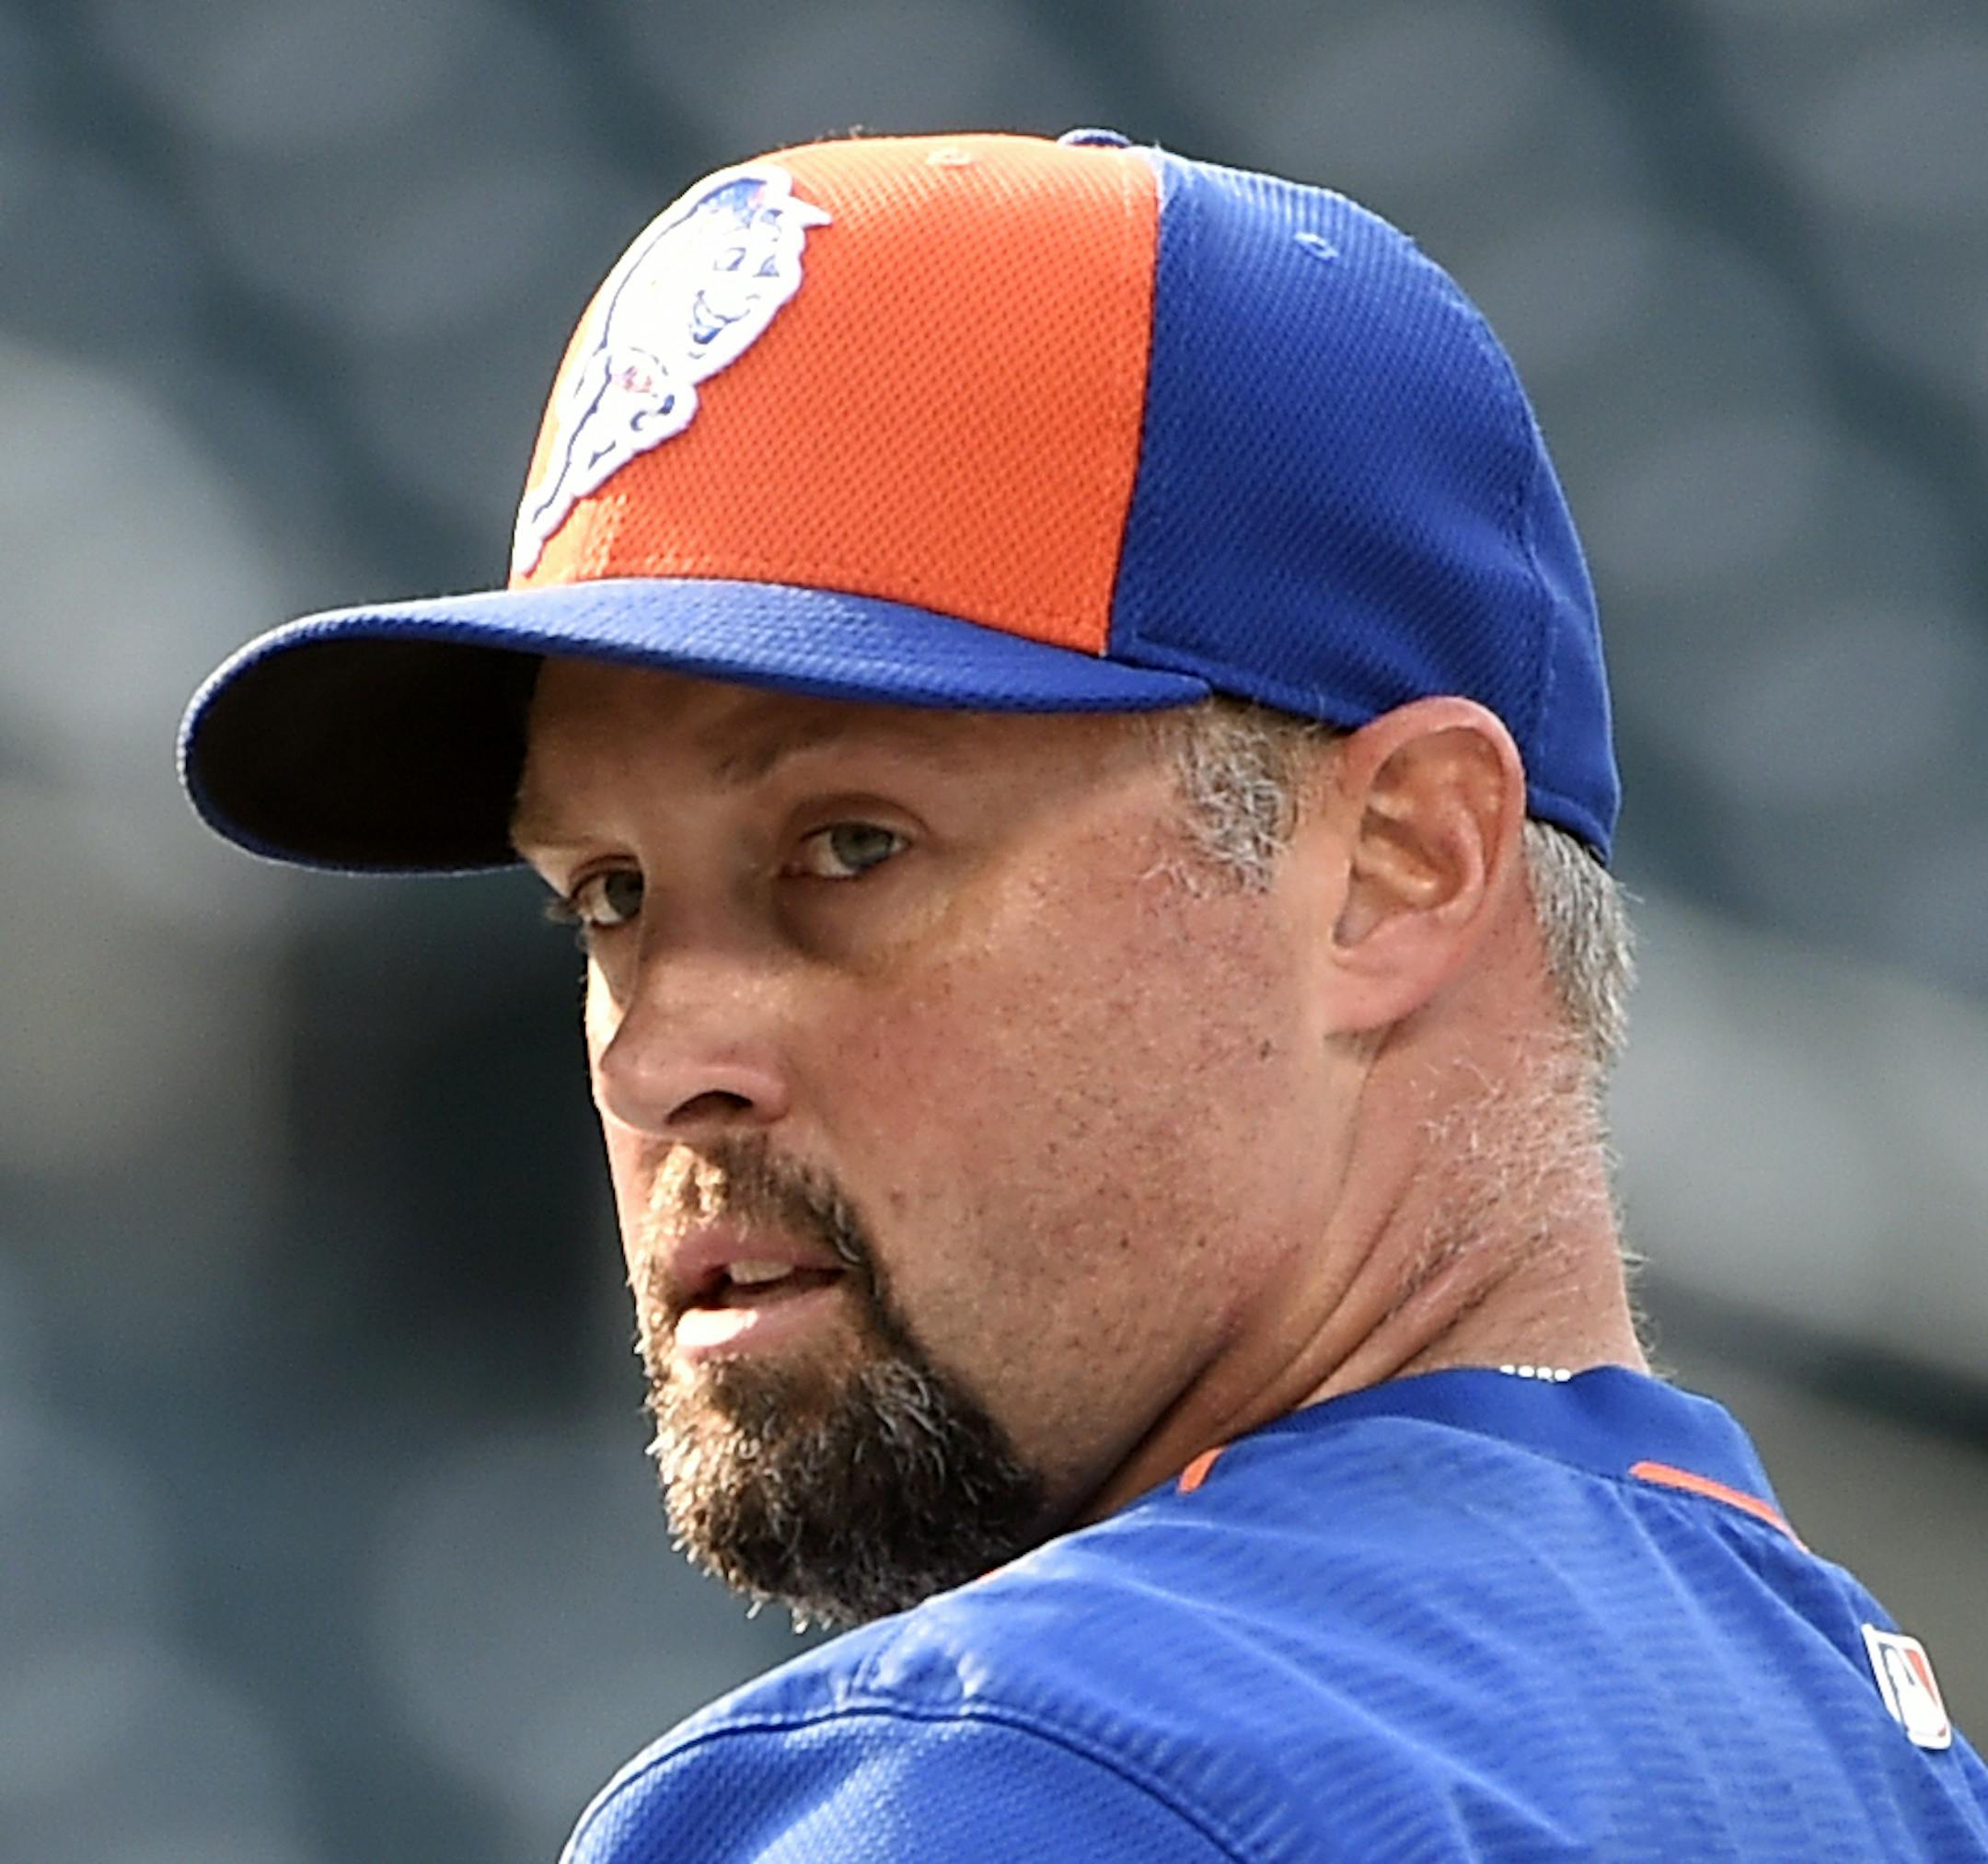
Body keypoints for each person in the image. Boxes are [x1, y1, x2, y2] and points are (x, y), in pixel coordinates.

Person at [179, 130, 1988, 1862]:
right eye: (612, 894)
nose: (662, 1053)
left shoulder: (1015, 1782)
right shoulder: (1881, 1762)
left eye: (851, 844)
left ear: (1402, 862)